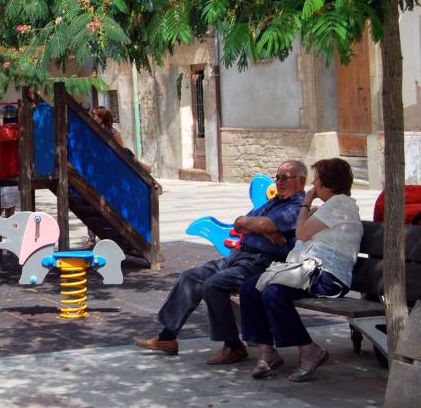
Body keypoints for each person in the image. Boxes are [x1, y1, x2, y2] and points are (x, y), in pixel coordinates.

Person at [135, 160, 307, 364]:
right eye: (277, 178)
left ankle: (233, 345)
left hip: (261, 262)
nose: (279, 182)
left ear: (301, 181)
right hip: (238, 256)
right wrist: (255, 226)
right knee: (191, 277)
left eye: (284, 178)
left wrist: (261, 226)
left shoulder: (296, 207)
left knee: (214, 285)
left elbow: (264, 223)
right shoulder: (273, 202)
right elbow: (239, 223)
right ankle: (167, 337)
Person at [240, 158, 362, 382]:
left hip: (328, 278)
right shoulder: (333, 206)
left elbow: (302, 233)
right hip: (309, 272)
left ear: (329, 185)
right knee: (250, 287)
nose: (313, 187)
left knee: (274, 293)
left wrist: (306, 203)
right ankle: (267, 352)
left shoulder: (340, 204)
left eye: (316, 182)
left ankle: (308, 351)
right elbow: (304, 232)